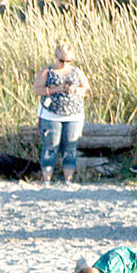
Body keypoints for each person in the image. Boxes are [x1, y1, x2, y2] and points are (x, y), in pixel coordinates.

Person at [33, 43, 89, 185]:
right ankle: (47, 179)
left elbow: (87, 90)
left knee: (70, 148)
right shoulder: (47, 71)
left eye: (68, 61)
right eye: (61, 61)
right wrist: (56, 89)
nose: (64, 64)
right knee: (50, 146)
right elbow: (36, 90)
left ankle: (68, 180)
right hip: (50, 114)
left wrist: (75, 90)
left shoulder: (76, 71)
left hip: (74, 115)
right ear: (56, 58)